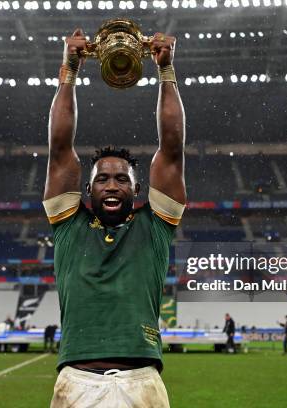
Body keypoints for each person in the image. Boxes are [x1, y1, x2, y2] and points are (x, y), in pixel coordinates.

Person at [44, 27, 185, 408]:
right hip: (76, 382)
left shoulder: (154, 226)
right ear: (87, 190)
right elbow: (60, 150)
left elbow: (171, 150)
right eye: (102, 179)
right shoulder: (68, 226)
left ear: (137, 190)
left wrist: (166, 72)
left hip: (142, 384)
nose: (111, 185)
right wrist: (69, 70)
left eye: (122, 179)